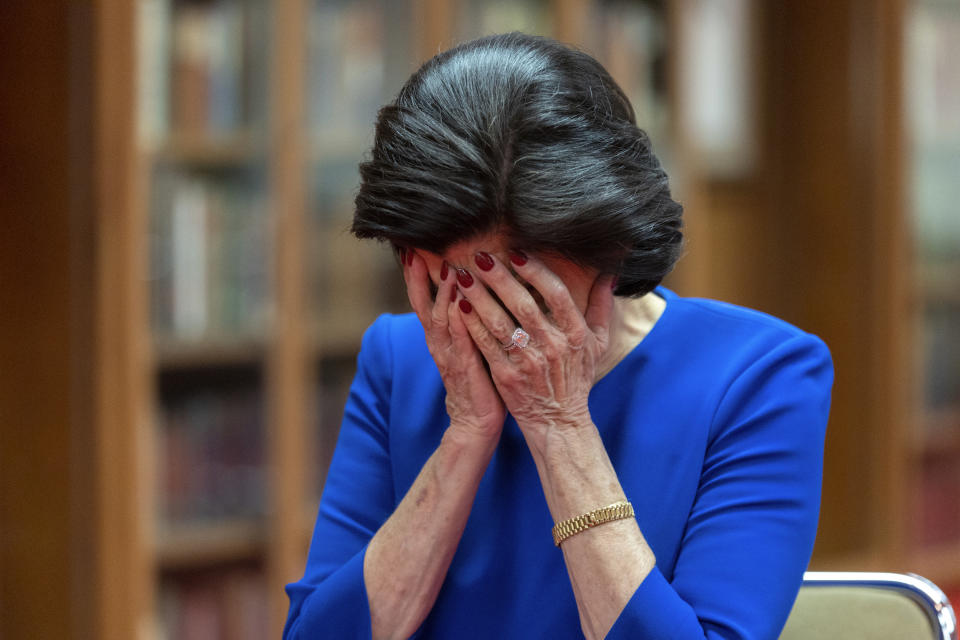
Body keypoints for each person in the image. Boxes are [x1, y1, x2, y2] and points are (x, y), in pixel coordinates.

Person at [284, 32, 832, 640]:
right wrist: (467, 433)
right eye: (461, 285)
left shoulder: (759, 376)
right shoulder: (398, 361)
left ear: (609, 251)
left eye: (524, 291)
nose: (494, 324)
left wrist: (561, 426)